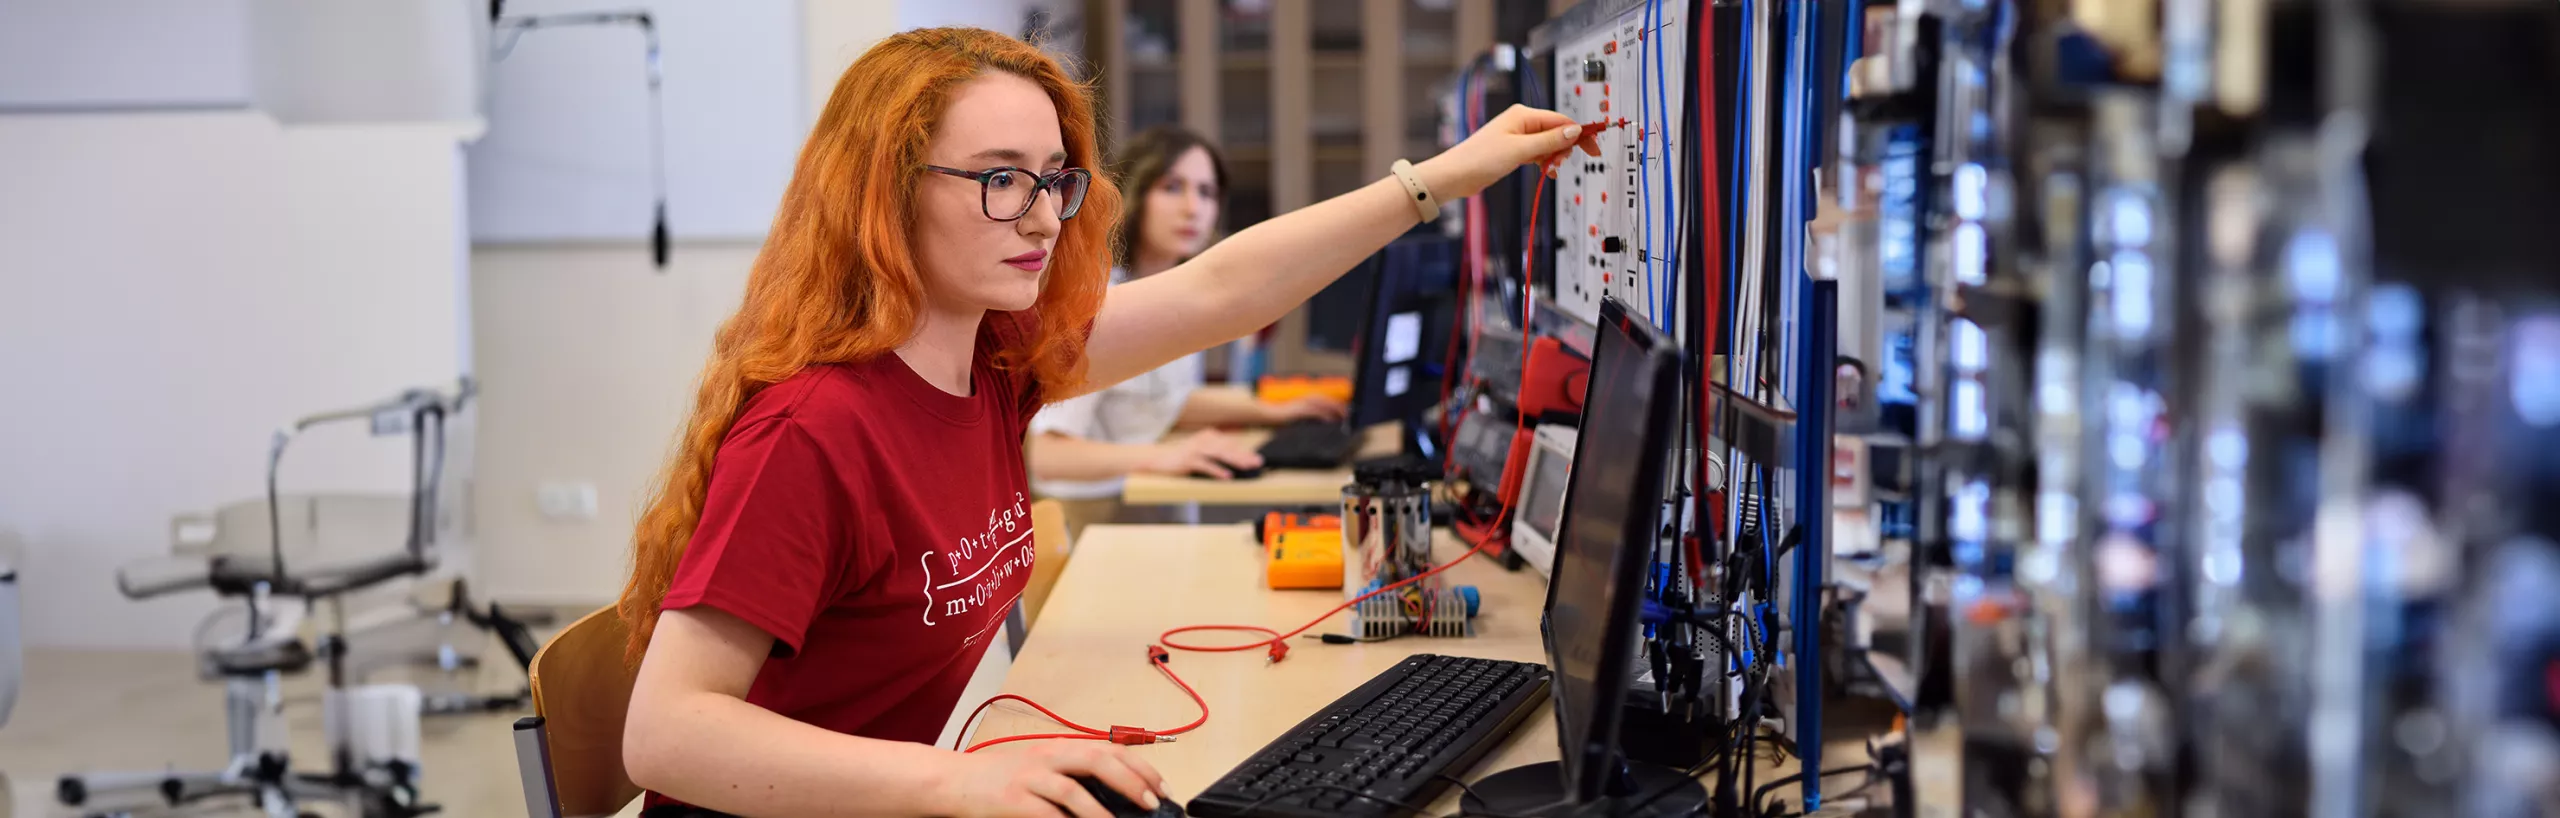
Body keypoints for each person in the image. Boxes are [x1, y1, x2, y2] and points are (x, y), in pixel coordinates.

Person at [615, 27, 1593, 818]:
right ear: (883, 193)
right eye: (1000, 178)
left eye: (1053, 179)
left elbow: (1219, 289)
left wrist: (1441, 180)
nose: (1044, 219)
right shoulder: (813, 432)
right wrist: (949, 778)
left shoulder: (991, 363)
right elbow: (666, 732)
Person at [1025, 125, 1343, 534]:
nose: (1194, 208)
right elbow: (1045, 454)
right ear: (1134, 192)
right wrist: (1160, 457)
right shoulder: (1097, 299)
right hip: (1094, 517)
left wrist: (1270, 412)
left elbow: (1162, 401)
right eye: (1173, 187)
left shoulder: (1176, 291)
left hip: (1150, 499)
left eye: (1207, 193)